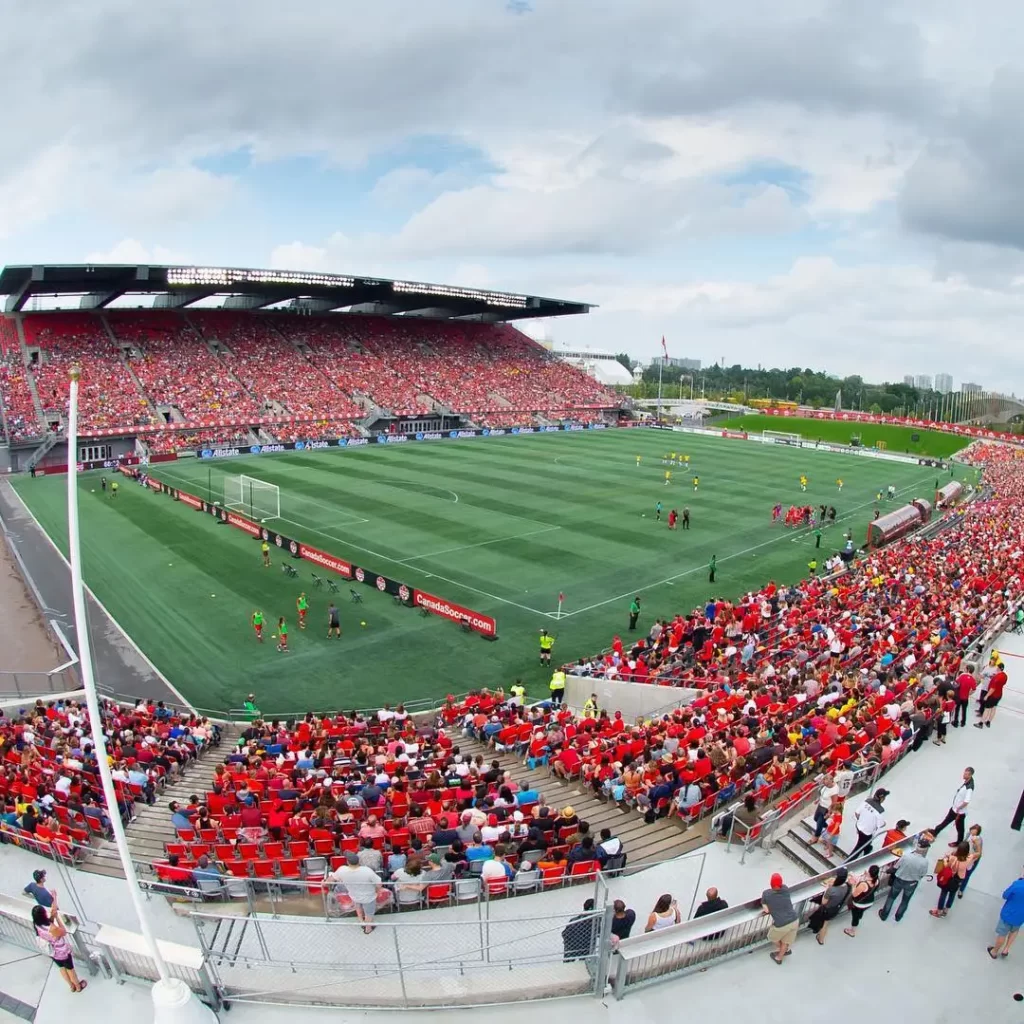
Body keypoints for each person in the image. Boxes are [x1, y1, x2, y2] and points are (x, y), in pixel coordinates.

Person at [32, 905, 86, 992]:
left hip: (52, 951)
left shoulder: (36, 924)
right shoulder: (52, 928)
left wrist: (52, 915)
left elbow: (48, 923)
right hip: (62, 951)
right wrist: (57, 917)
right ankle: (78, 986)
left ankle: (71, 986)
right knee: (70, 969)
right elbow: (63, 931)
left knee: (62, 968)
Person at [877, 837, 930, 923]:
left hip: (899, 880)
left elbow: (895, 867)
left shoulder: (906, 856)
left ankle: (884, 915)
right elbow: (922, 874)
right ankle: (898, 916)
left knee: (891, 898)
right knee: (905, 901)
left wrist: (888, 871)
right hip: (911, 884)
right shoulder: (925, 862)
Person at [330, 851, 382, 934]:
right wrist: (377, 890)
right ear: (359, 861)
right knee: (369, 913)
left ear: (347, 862)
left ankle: (361, 922)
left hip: (354, 896)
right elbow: (379, 884)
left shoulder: (342, 870)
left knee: (358, 908)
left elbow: (331, 879)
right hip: (369, 897)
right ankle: (368, 929)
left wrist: (324, 882)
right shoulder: (367, 870)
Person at [931, 767, 974, 846]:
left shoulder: (969, 788)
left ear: (970, 775)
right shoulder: (966, 782)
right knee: (946, 821)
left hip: (959, 813)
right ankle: (936, 831)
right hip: (954, 809)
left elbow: (966, 801)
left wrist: (959, 808)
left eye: (966, 774)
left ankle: (959, 842)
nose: (964, 775)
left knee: (960, 828)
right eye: (964, 773)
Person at [762, 873, 799, 964]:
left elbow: (766, 910)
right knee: (786, 941)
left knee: (772, 937)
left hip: (781, 924)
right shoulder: (785, 888)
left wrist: (765, 904)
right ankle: (779, 957)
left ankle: (784, 950)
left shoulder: (766, 894)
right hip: (794, 920)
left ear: (771, 883)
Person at [988, 867, 1024, 960]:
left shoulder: (1017, 884)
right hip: (1021, 917)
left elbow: (1005, 895)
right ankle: (1006, 950)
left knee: (1002, 934)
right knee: (1014, 931)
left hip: (1008, 914)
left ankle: (994, 951)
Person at [808, 868, 850, 945]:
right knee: (825, 923)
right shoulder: (846, 886)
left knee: (824, 924)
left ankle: (821, 939)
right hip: (835, 908)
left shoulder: (831, 890)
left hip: (827, 909)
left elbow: (823, 902)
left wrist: (826, 890)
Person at [930, 842, 973, 918]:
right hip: (959, 879)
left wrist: (946, 859)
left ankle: (939, 911)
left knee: (943, 893)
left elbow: (947, 865)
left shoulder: (953, 859)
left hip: (949, 878)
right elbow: (971, 855)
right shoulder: (969, 859)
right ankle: (946, 911)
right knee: (952, 894)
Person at [847, 788, 888, 860]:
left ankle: (868, 848)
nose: (884, 799)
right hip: (867, 832)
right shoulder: (880, 810)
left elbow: (857, 813)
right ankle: (847, 863)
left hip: (859, 826)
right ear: (881, 798)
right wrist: (884, 823)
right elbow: (880, 824)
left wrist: (862, 820)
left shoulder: (867, 801)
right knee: (858, 849)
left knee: (864, 842)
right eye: (884, 797)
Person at [844, 865, 881, 938]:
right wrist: (866, 875)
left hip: (859, 904)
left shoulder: (864, 884)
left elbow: (854, 894)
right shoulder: (877, 880)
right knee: (860, 913)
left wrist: (854, 885)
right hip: (870, 902)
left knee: (855, 917)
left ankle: (852, 931)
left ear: (870, 873)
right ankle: (860, 916)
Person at [811, 773, 839, 843]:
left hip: (826, 809)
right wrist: (818, 799)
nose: (824, 784)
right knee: (816, 819)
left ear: (831, 781)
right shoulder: (826, 785)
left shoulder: (834, 790)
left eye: (825, 782)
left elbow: (834, 803)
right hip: (821, 805)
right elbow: (822, 793)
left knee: (819, 824)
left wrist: (829, 813)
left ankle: (816, 837)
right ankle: (827, 827)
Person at [959, 824, 983, 897]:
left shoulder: (977, 839)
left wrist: (971, 857)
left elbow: (979, 853)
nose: (972, 832)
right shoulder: (969, 835)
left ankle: (961, 890)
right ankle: (960, 882)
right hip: (965, 856)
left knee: (967, 875)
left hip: (972, 859)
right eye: (972, 830)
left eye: (974, 831)